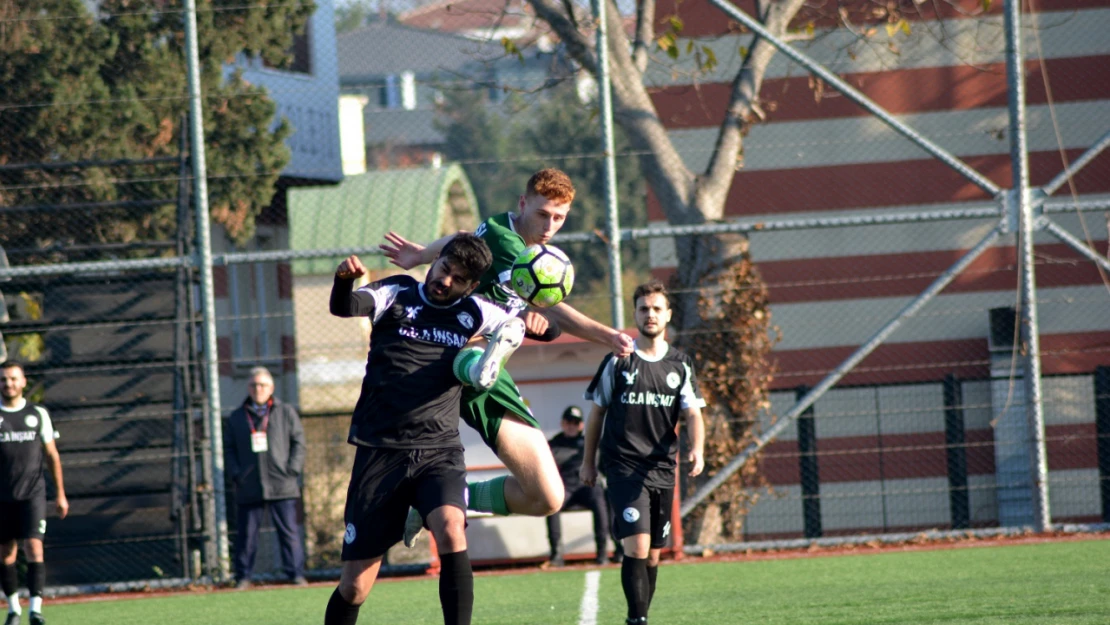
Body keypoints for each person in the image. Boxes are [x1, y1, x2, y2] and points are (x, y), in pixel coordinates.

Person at [380, 168, 634, 545]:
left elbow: (461, 238)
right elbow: (556, 308)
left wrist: (421, 253)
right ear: (523, 203)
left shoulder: (504, 232)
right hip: (454, 353)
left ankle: (438, 503)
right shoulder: (509, 243)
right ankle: (474, 367)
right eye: (543, 213)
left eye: (559, 218)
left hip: (492, 366)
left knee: (547, 496)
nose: (550, 225)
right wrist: (608, 334)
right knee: (481, 343)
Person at [324, 234, 528, 625]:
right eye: (444, 268)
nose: (445, 280)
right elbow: (345, 306)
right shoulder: (397, 292)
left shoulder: (477, 311)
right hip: (380, 453)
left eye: (458, 279)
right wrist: (344, 279)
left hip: (439, 451)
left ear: (471, 286)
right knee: (354, 587)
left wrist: (529, 324)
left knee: (452, 528)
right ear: (435, 262)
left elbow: (535, 328)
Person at [580, 281, 706, 625]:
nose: (649, 315)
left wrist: (698, 449)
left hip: (663, 468)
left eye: (655, 308)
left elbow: (693, 412)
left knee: (652, 556)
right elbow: (597, 413)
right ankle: (637, 620)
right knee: (635, 547)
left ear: (667, 314)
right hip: (623, 466)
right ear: (634, 314)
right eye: (642, 309)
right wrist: (588, 462)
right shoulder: (618, 361)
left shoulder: (680, 364)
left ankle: (641, 614)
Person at [224, 366, 307, 589]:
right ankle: (243, 577)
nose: (258, 389)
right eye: (253, 385)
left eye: (262, 385)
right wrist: (237, 474)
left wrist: (292, 470)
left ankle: (295, 574)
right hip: (249, 485)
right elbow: (228, 449)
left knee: (289, 533)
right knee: (247, 536)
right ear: (248, 388)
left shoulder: (286, 412)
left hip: (282, 484)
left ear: (271, 387)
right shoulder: (236, 417)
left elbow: (299, 443)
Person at [0, 362, 67, 625]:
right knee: (6, 553)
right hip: (2, 496)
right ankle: (14, 609)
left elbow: (52, 455)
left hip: (33, 494)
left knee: (34, 546)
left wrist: (60, 494)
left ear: (24, 382)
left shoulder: (38, 414)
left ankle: (35, 610)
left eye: (13, 379)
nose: (9, 384)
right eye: (4, 380)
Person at [544, 405, 613, 567]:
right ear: (562, 423)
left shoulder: (591, 442)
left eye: (576, 422)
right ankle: (557, 554)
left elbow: (603, 466)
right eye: (569, 421)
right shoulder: (553, 444)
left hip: (586, 485)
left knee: (600, 497)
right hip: (565, 486)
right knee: (551, 504)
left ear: (581, 424)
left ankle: (603, 553)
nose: (572, 425)